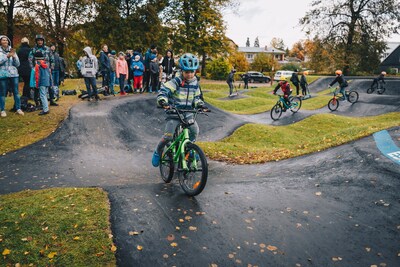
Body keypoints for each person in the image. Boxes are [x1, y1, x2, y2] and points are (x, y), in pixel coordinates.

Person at [151, 53, 206, 167]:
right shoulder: (176, 81)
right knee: (168, 136)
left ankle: (189, 149)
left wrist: (199, 104)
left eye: (192, 71)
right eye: (187, 72)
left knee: (194, 130)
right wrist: (163, 101)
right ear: (181, 71)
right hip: (174, 112)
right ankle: (158, 151)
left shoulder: (195, 83)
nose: (190, 74)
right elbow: (164, 90)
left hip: (188, 113)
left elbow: (196, 98)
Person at [0, 35, 24, 117]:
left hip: (13, 74)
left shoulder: (12, 50)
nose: (5, 41)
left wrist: (14, 57)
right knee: (3, 92)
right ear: (0, 42)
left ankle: (18, 108)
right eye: (3, 40)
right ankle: (2, 110)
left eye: (6, 40)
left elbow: (17, 64)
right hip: (3, 74)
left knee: (16, 92)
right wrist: (7, 56)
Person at [33, 51, 51, 115]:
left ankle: (45, 109)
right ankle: (46, 108)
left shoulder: (37, 65)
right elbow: (49, 74)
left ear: (36, 58)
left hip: (41, 82)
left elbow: (37, 76)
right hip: (47, 81)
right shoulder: (46, 64)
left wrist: (37, 84)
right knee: (45, 95)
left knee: (42, 96)